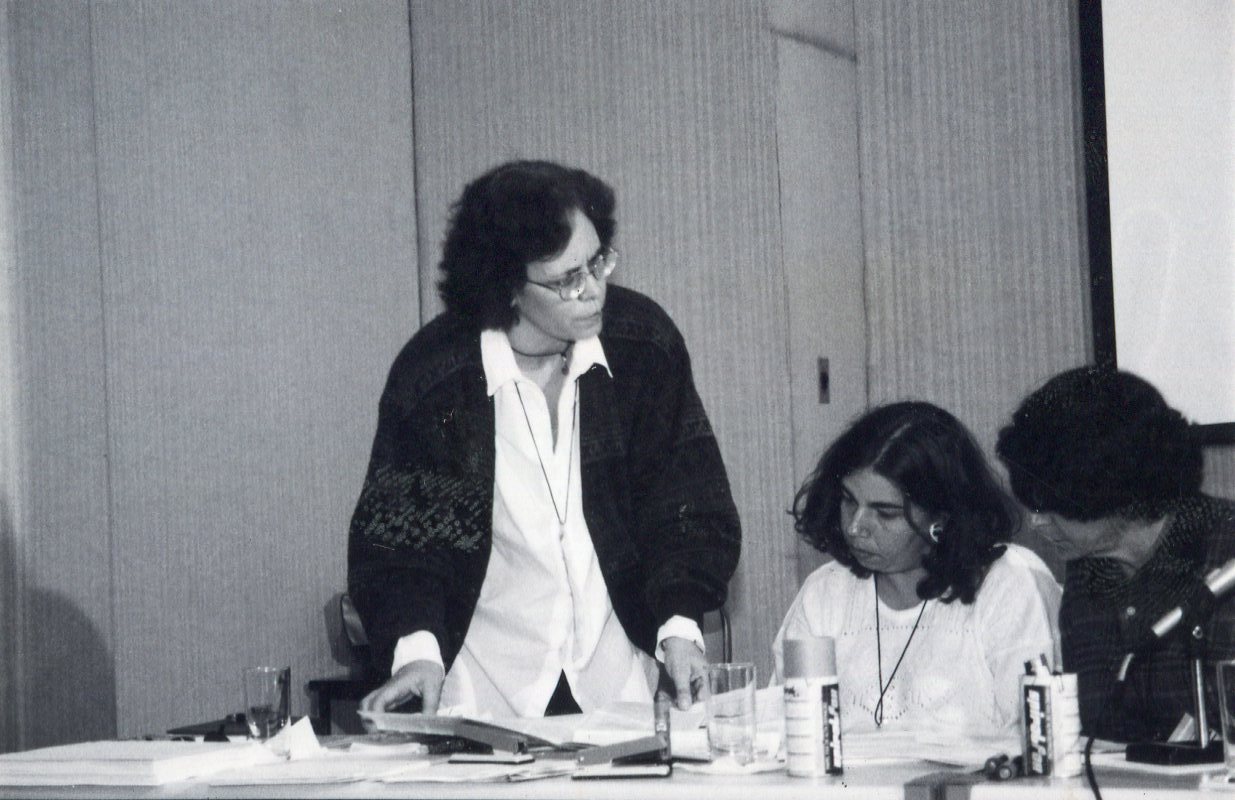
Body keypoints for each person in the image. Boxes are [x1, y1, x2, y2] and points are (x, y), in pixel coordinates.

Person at [347, 160, 741, 719]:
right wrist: (416, 653)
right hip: (484, 697)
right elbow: (400, 549)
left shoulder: (643, 347)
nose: (594, 291)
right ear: (507, 287)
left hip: (619, 687)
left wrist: (680, 626)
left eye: (598, 262)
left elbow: (688, 506)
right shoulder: (435, 378)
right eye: (567, 280)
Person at [773, 401, 1060, 737]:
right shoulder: (824, 592)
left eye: (886, 513)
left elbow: (1038, 741)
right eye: (849, 500)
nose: (855, 527)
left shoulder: (1010, 584)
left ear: (943, 517)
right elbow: (786, 732)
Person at [996, 365, 1235, 743]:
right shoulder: (1088, 571)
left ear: (1113, 490)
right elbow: (1101, 727)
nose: (1036, 522)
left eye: (1048, 505)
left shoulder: (1224, 551)